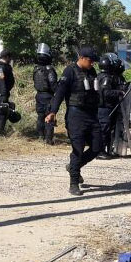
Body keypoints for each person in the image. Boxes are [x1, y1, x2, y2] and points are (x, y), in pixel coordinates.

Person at [46, 46, 102, 195]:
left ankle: (72, 167)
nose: (92, 64)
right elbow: (59, 93)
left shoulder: (92, 71)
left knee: (97, 147)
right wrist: (52, 112)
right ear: (82, 58)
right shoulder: (69, 71)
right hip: (76, 116)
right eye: (90, 61)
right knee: (77, 149)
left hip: (91, 114)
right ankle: (74, 183)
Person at [97, 55, 127, 158]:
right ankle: (100, 152)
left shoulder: (100, 76)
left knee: (108, 129)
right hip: (104, 107)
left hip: (104, 107)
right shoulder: (106, 78)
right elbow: (106, 93)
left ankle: (107, 151)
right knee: (104, 130)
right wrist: (119, 92)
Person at [33, 43, 58, 145]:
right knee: (49, 116)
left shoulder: (36, 69)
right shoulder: (49, 70)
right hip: (48, 96)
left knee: (40, 116)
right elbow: (53, 85)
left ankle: (40, 136)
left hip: (38, 95)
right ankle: (48, 139)